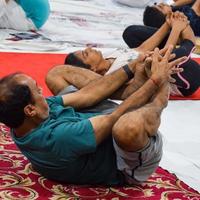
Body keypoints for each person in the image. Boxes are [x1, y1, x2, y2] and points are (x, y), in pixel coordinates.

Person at [0, 47, 185, 185]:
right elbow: (115, 117)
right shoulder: (57, 138)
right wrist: (156, 81)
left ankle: (133, 89)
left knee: (58, 73)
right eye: (37, 90)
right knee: (127, 127)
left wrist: (133, 65)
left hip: (93, 122)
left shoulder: (26, 118)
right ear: (30, 110)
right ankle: (160, 98)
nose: (42, 91)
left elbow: (86, 96)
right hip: (122, 159)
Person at [61, 13, 200, 97]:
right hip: (182, 76)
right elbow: (161, 64)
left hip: (162, 56)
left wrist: (168, 23)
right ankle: (189, 40)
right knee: (172, 55)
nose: (90, 48)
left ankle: (183, 28)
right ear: (92, 69)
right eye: (86, 54)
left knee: (131, 32)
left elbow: (141, 48)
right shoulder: (115, 74)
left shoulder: (108, 57)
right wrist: (176, 30)